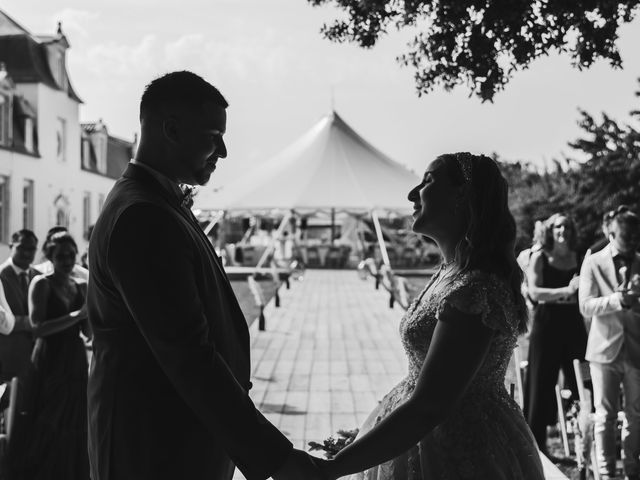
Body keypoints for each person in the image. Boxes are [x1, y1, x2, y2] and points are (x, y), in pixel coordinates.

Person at [86, 71, 321, 480]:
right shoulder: (142, 216)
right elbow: (189, 355)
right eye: (214, 135)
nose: (224, 151)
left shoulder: (155, 203)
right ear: (172, 130)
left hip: (179, 441)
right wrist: (276, 460)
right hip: (154, 450)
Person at [314, 152, 544, 480]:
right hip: (422, 439)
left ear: (461, 195)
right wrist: (367, 437)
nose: (413, 193)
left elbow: (430, 405)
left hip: (460, 454)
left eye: (428, 181)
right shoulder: (450, 275)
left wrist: (332, 468)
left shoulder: (475, 291)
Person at [17, 231, 90, 479]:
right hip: (50, 357)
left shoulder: (81, 286)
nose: (68, 260)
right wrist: (76, 316)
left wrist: (92, 315)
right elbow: (38, 328)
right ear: (50, 257)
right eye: (61, 256)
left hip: (75, 359)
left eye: (71, 255)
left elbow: (88, 331)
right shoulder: (41, 284)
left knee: (76, 420)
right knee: (50, 419)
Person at [579, 207, 640, 480]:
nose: (631, 242)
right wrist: (617, 300)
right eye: (625, 236)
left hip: (636, 349)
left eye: (634, 237)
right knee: (605, 416)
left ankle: (631, 471)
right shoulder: (593, 262)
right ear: (610, 232)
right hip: (604, 350)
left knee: (636, 414)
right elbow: (585, 306)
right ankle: (606, 475)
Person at [523, 213, 588, 454]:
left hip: (573, 320)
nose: (563, 231)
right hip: (547, 322)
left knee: (582, 379)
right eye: (558, 227)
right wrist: (566, 290)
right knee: (541, 381)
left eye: (567, 227)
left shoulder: (579, 257)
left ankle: (586, 440)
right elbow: (535, 292)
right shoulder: (540, 257)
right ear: (550, 230)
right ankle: (536, 444)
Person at [0, 230, 40, 380]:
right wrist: (30, 322)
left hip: (35, 357)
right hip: (7, 357)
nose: (27, 253)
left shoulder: (38, 276)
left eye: (32, 249)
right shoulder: (1, 276)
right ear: (11, 246)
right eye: (22, 248)